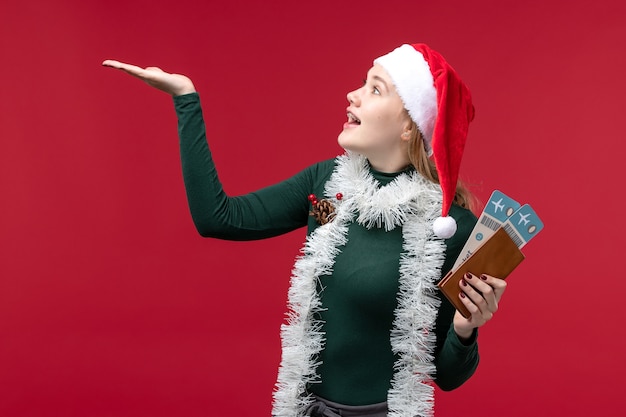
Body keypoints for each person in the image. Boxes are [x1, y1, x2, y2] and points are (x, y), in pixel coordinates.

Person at [103, 43, 507, 417]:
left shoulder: (448, 229)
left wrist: (464, 329)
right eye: (363, 83)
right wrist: (186, 100)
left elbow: (448, 377)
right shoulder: (326, 183)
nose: (353, 94)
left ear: (409, 126)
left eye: (376, 89)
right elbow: (218, 218)